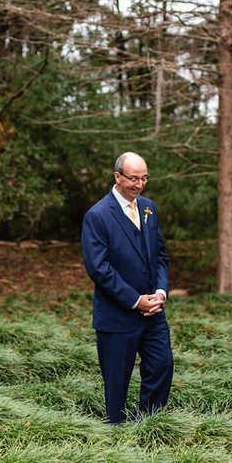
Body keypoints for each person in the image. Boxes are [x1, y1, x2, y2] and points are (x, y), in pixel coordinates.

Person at [81, 152, 173, 424]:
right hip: (117, 315)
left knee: (162, 365)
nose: (140, 184)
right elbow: (99, 269)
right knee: (117, 382)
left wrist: (160, 293)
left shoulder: (148, 208)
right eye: (133, 178)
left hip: (153, 314)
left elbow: (159, 256)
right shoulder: (97, 216)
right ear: (117, 176)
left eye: (144, 178)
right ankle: (116, 435)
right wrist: (135, 300)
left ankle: (146, 423)